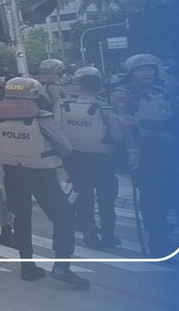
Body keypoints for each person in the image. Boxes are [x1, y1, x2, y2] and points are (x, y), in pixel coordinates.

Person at [0, 77, 89, 289]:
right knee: (64, 216)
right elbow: (64, 145)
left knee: (21, 220)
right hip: (42, 174)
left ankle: (27, 266)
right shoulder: (41, 116)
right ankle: (62, 266)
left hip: (12, 173)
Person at [110, 53, 179, 257]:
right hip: (143, 150)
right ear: (131, 73)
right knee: (151, 197)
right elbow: (125, 126)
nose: (146, 73)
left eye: (150, 69)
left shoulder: (161, 91)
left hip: (165, 150)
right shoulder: (122, 94)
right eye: (141, 70)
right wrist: (134, 150)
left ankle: (164, 236)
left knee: (167, 195)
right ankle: (157, 242)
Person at [56, 66, 132, 249]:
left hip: (75, 158)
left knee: (84, 198)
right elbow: (119, 136)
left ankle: (90, 235)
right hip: (103, 160)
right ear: (99, 86)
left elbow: (58, 131)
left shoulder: (63, 106)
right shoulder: (104, 108)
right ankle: (108, 235)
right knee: (106, 200)